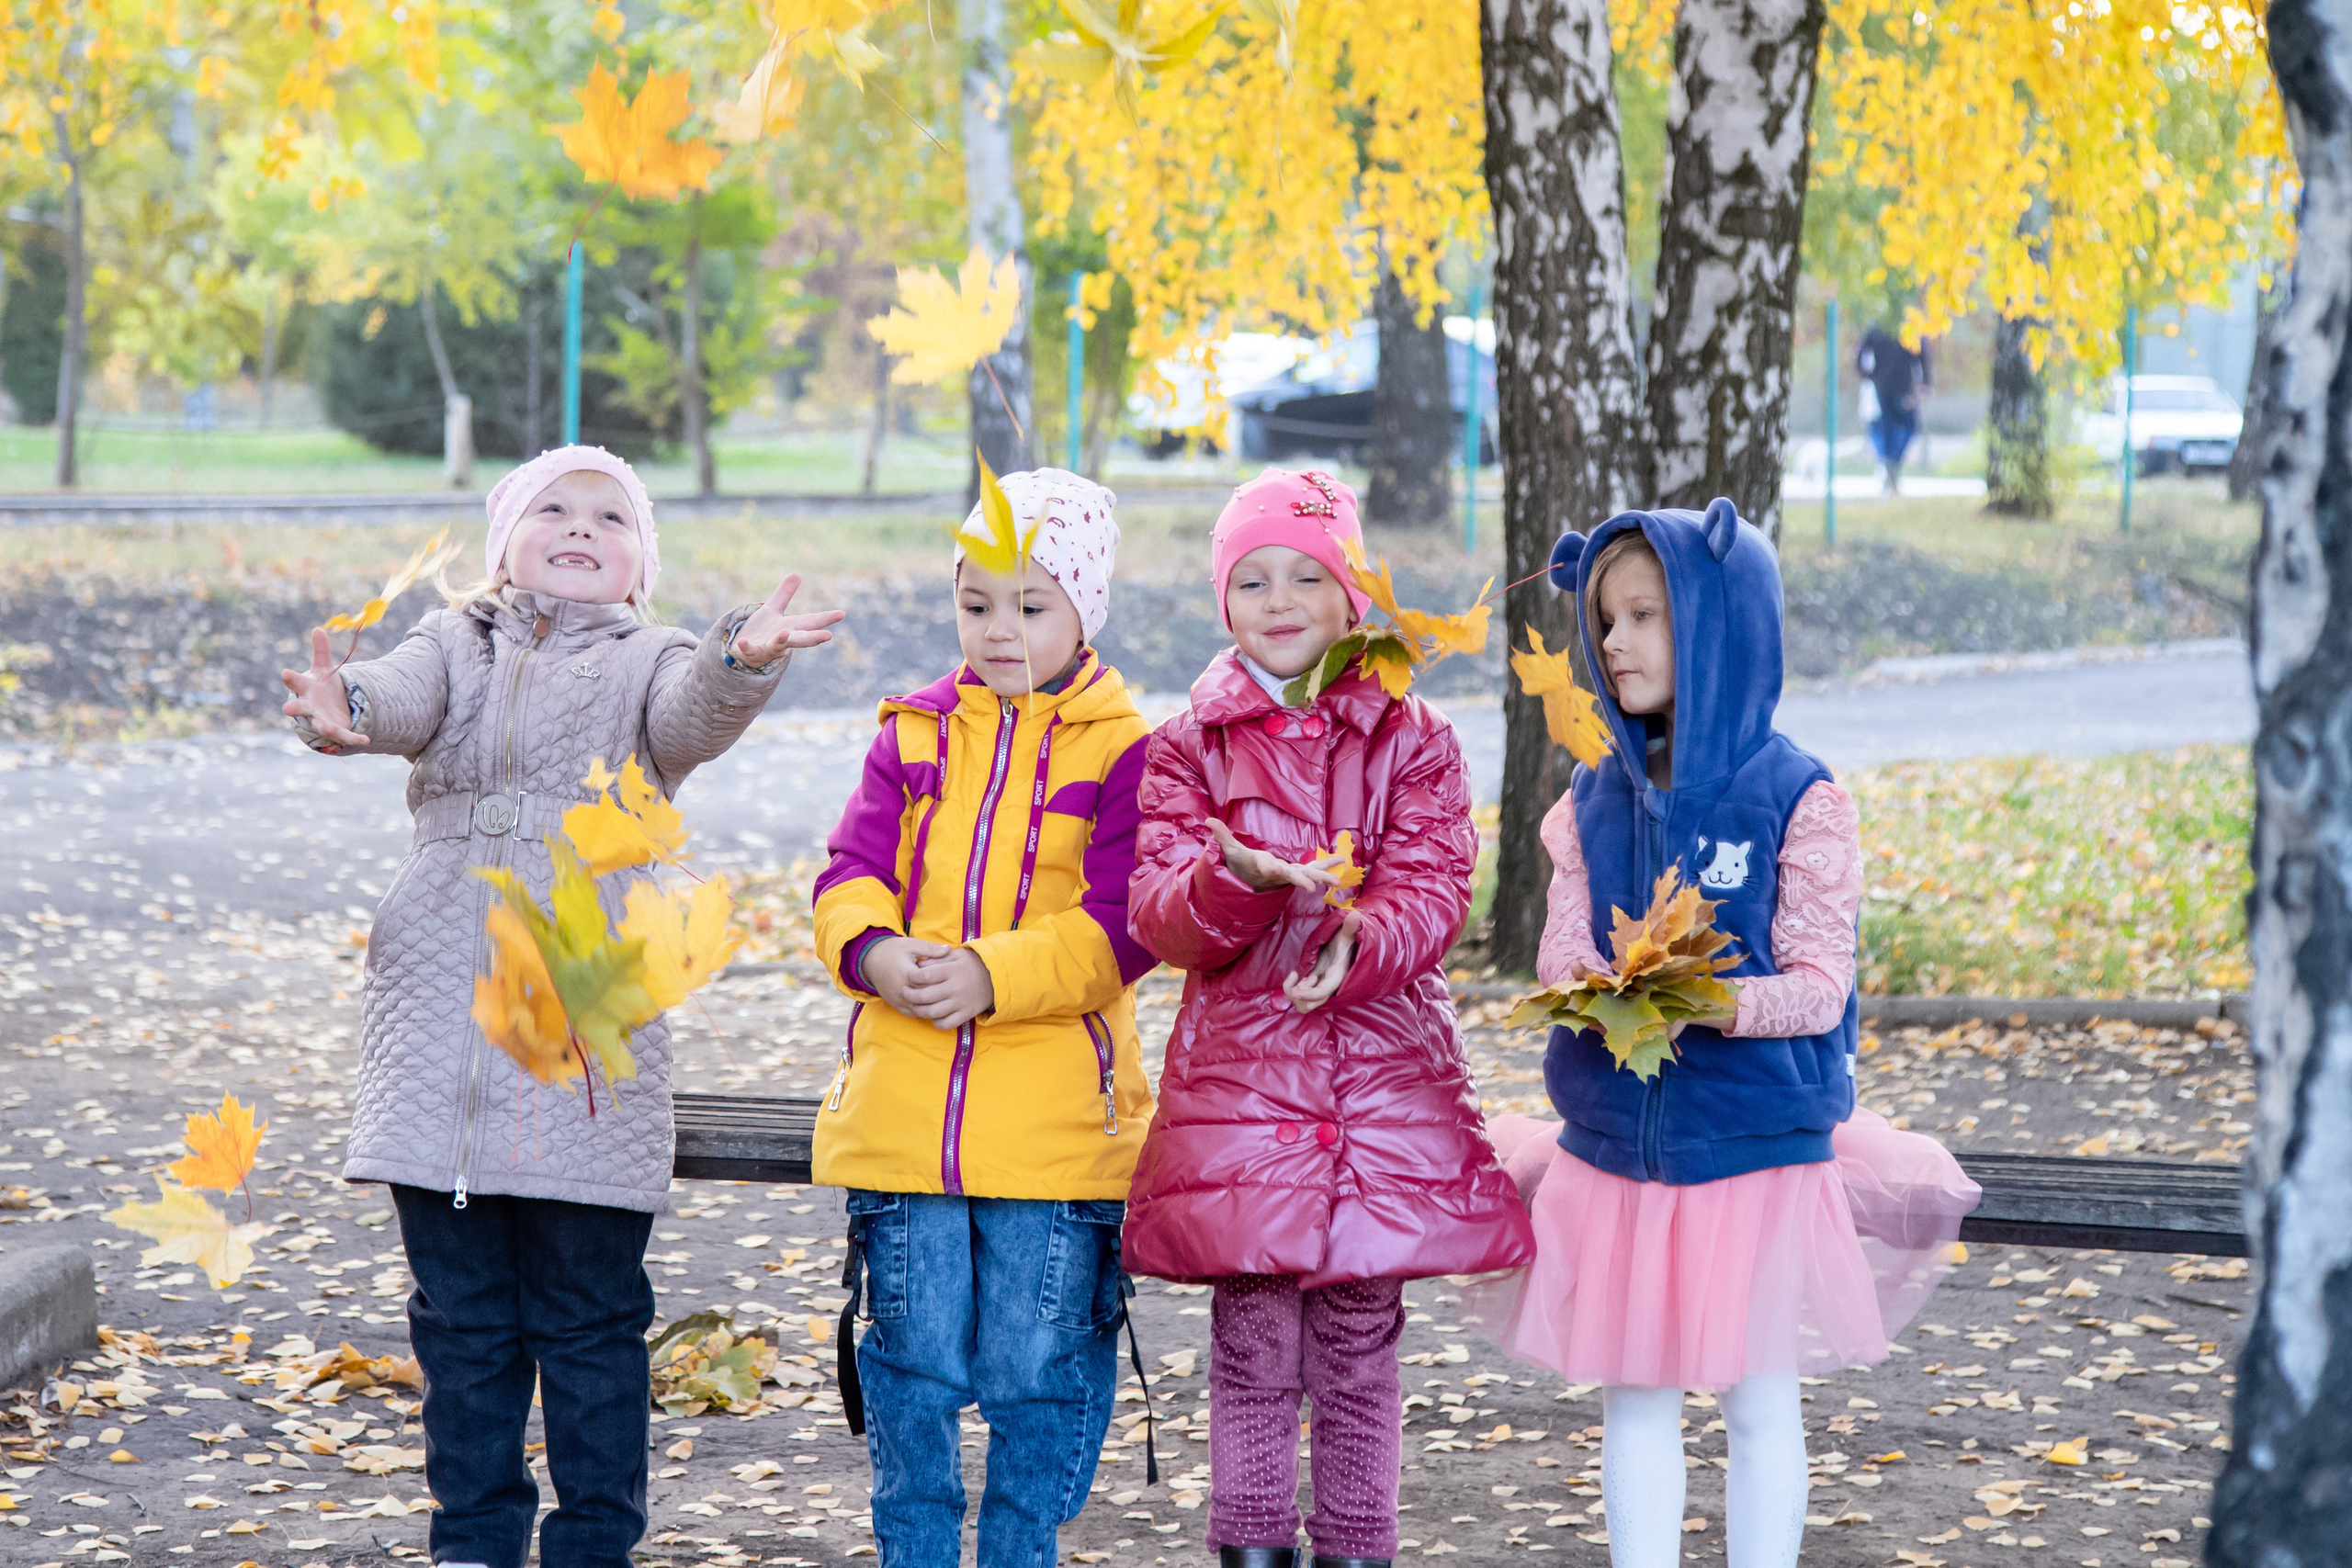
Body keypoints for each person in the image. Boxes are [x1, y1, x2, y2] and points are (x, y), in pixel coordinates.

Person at [278, 444, 842, 1568]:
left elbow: (692, 717)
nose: (581, 527)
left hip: (584, 1041)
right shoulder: (456, 642)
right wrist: (341, 708)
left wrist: (741, 656)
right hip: (441, 1043)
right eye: (553, 509)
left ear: (639, 565)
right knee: (464, 1329)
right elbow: (392, 699)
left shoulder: (651, 658)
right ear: (503, 545)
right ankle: (475, 1540)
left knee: (589, 1324)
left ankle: (594, 1543)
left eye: (611, 517)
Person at [1478, 501, 1978, 1568]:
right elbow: (1560, 959)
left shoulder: (1797, 797)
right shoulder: (1588, 799)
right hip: (1617, 1158)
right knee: (1638, 1405)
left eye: (1644, 615)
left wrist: (1708, 1002)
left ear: (1721, 621)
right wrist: (1596, 987)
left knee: (1758, 1407)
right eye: (1603, 621)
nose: (1613, 644)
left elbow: (1818, 987)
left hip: (1754, 1154)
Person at [1122, 468, 1536, 1568]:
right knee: (1252, 1337)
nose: (1278, 597)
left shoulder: (1410, 735)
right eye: (1250, 579)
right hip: (1246, 1096)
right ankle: (1250, 1545)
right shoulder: (1188, 748)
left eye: (1306, 573)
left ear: (1351, 592)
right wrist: (1242, 884)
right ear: (1223, 601)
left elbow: (1435, 886)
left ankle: (1359, 1544)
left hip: (1378, 1085)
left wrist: (1360, 941)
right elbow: (1162, 912)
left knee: (1360, 1338)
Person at [811, 469, 1159, 1567]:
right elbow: (848, 872)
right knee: (910, 1364)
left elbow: (1124, 926)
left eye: (1030, 603)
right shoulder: (913, 732)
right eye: (976, 603)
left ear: (1085, 609)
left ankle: (1021, 1554)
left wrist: (989, 975)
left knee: (1036, 1365)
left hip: (1054, 1131)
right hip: (908, 1117)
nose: (999, 630)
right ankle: (914, 1552)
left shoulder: (1125, 748)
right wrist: (873, 952)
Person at [1856, 324, 1932, 493]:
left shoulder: (1894, 326)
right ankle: (1892, 466)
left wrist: (1868, 375)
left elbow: (1923, 355)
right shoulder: (1895, 326)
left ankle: (1891, 465)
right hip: (1898, 388)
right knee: (1900, 428)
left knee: (1902, 428)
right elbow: (1924, 357)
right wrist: (1926, 383)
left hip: (1895, 388)